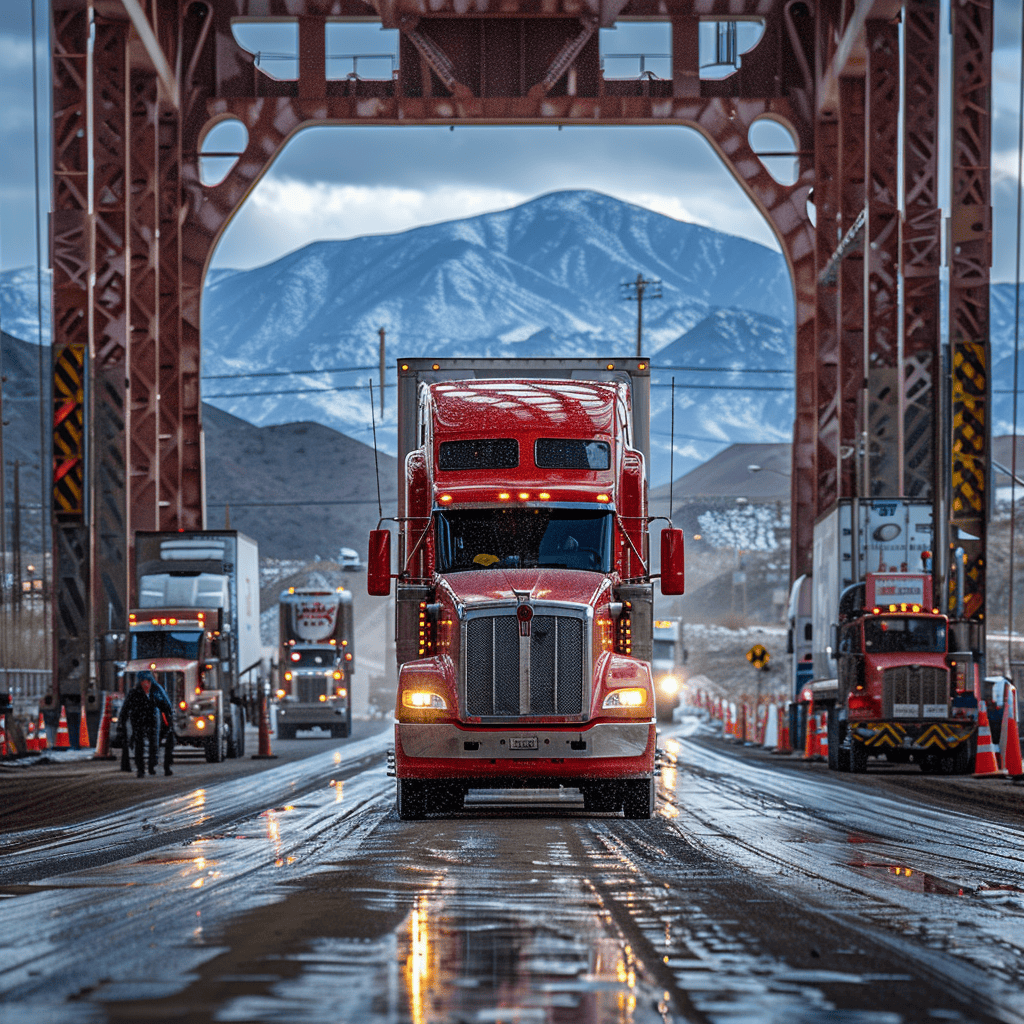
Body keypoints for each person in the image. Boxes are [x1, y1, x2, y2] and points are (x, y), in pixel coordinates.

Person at [121, 671, 175, 777]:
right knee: (139, 744)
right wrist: (122, 720)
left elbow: (166, 704)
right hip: (138, 720)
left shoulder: (156, 691)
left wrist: (169, 718)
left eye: (148, 681)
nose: (146, 684)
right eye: (143, 682)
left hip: (153, 719)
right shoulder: (135, 692)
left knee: (154, 743)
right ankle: (140, 769)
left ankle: (152, 765)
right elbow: (126, 707)